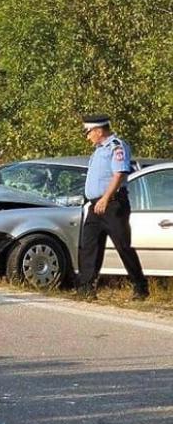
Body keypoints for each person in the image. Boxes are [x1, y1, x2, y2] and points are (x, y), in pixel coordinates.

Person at [77, 114, 149, 300]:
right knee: (89, 245)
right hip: (95, 205)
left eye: (89, 132)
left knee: (122, 245)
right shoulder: (99, 150)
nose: (87, 136)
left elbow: (119, 174)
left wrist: (106, 199)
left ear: (99, 130)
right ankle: (86, 287)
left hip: (112, 204)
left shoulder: (116, 146)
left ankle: (140, 287)